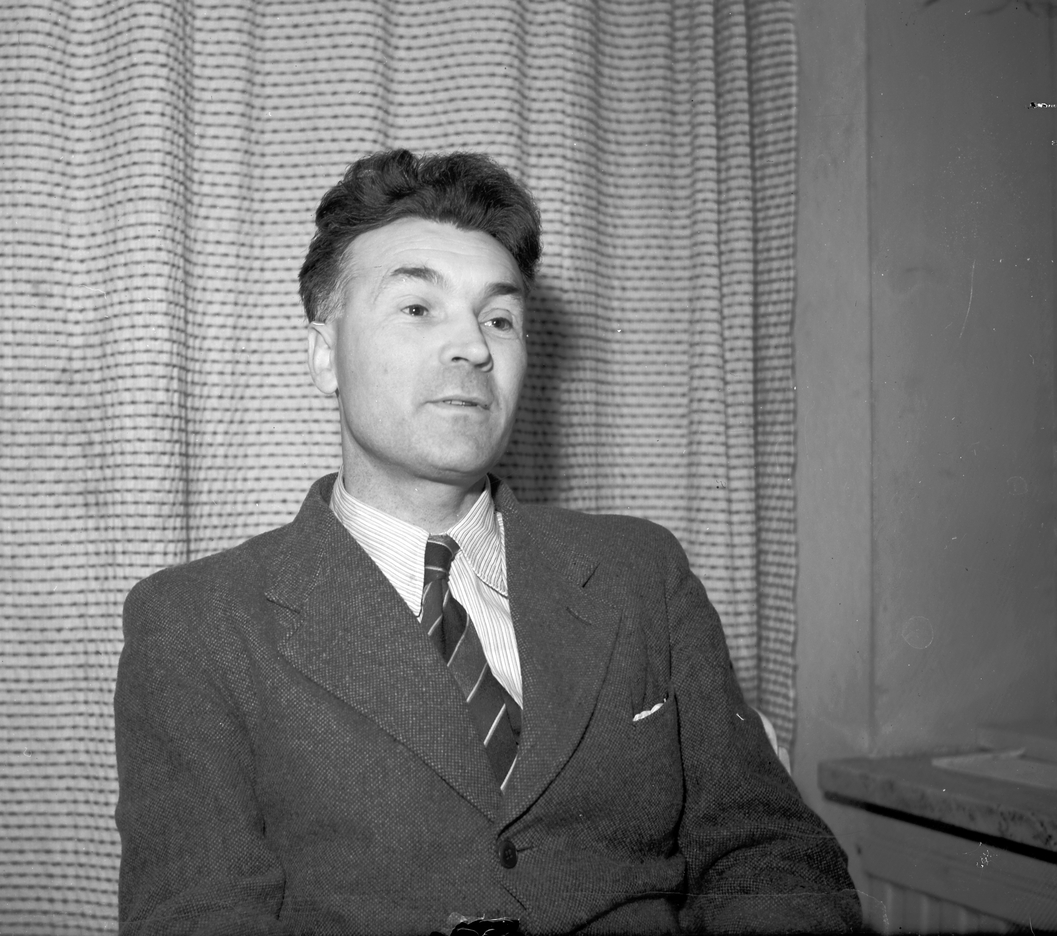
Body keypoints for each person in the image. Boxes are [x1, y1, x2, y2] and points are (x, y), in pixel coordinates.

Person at [114, 149, 862, 935]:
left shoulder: (641, 572)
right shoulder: (196, 624)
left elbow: (768, 853)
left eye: (499, 319)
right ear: (324, 354)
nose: (474, 346)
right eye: (417, 308)